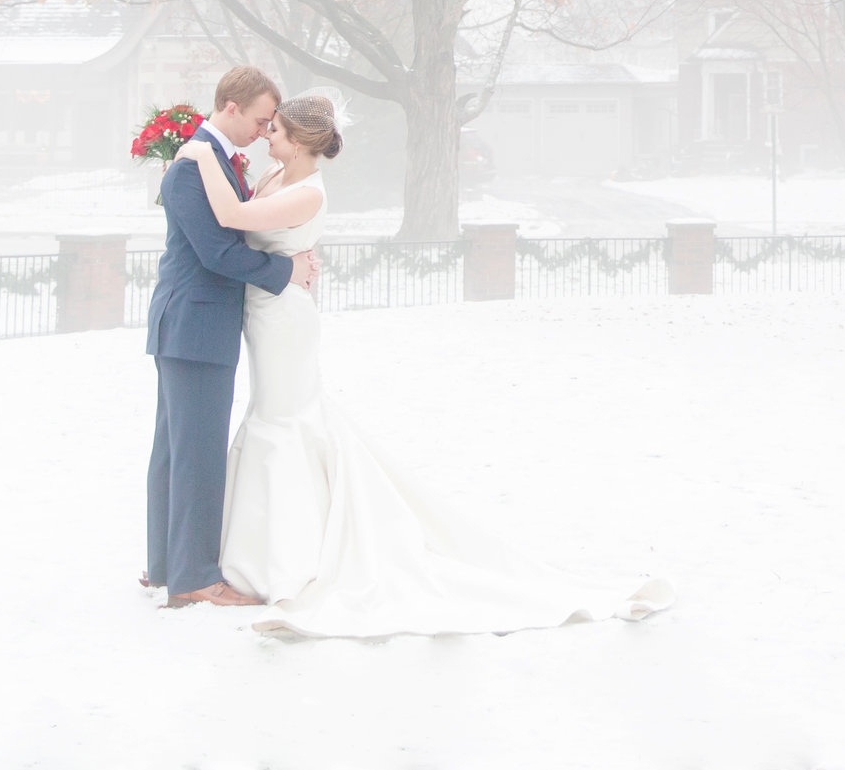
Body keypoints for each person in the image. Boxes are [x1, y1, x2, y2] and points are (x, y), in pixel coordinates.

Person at [177, 91, 673, 638]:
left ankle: (285, 559)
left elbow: (235, 216)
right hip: (266, 311)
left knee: (287, 420)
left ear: (299, 142)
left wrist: (200, 153)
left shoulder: (308, 193)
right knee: (275, 416)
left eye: (276, 130)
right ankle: (264, 549)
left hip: (286, 323)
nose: (267, 134)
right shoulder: (277, 176)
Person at [142, 66, 319, 608]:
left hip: (191, 323)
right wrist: (283, 272)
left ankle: (166, 566)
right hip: (196, 324)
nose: (264, 132)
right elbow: (217, 252)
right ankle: (194, 579)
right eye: (262, 120)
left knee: (176, 450)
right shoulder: (196, 165)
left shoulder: (211, 160)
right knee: (195, 452)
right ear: (231, 106)